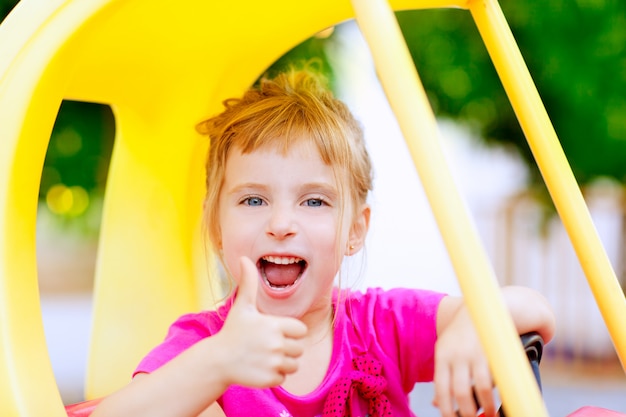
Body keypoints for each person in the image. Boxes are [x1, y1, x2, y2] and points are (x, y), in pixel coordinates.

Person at [91, 64, 555, 417]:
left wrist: (475, 322)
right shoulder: (205, 342)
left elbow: (535, 309)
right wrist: (218, 363)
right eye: (253, 201)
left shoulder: (379, 326)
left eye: (314, 202)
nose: (281, 224)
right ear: (216, 228)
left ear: (355, 230)